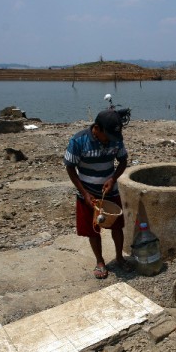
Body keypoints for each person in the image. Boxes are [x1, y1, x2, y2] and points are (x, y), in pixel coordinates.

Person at [64, 108, 132, 279]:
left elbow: (123, 160)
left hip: (110, 191)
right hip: (87, 194)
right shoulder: (78, 141)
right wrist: (84, 193)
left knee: (117, 226)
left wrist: (113, 179)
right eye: (107, 135)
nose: (110, 140)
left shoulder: (115, 141)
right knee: (93, 229)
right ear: (96, 128)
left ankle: (119, 258)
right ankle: (100, 261)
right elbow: (70, 168)